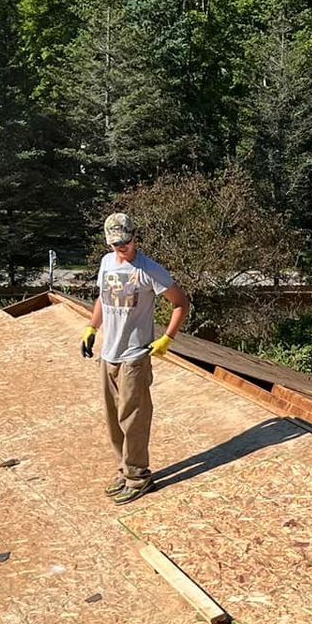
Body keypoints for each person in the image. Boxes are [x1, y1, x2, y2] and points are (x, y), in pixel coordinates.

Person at [82, 212, 190, 504]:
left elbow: (181, 303)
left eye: (126, 242)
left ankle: (139, 477)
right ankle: (125, 470)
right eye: (116, 244)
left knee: (133, 420)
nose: (122, 248)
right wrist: (91, 328)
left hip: (134, 355)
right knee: (113, 419)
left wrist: (167, 339)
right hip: (109, 354)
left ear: (134, 237)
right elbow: (103, 298)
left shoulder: (149, 270)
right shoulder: (107, 263)